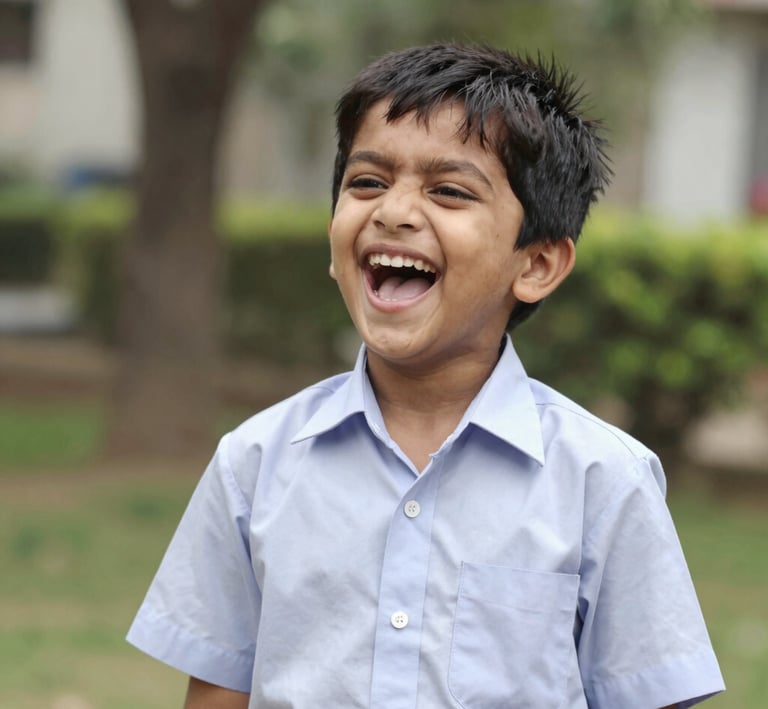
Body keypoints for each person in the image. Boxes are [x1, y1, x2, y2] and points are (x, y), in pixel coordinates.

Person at [127, 44, 725, 708]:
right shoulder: (254, 465)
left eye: (449, 190)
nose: (394, 211)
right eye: (367, 182)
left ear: (537, 265)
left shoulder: (603, 482)